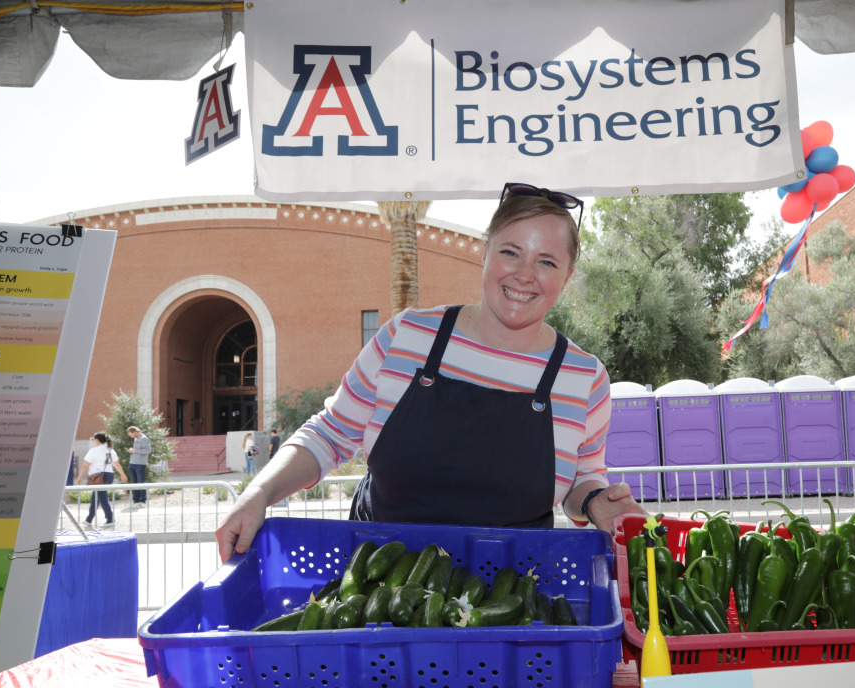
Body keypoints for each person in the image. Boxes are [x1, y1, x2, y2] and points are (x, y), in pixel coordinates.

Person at [217, 182, 642, 562]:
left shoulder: (583, 377)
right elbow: (329, 435)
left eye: (547, 262)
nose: (524, 274)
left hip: (510, 595)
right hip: (380, 584)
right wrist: (259, 493)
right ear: (485, 252)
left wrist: (596, 502)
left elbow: (581, 480)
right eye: (510, 252)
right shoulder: (408, 335)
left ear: (567, 276)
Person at [77, 432, 128, 528]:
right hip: (109, 475)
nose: (93, 441)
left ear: (96, 440)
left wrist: (80, 477)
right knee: (96, 497)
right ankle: (89, 519)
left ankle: (110, 519)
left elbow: (85, 465)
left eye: (93, 439)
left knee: (102, 498)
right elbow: (116, 464)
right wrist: (122, 475)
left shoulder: (94, 451)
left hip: (98, 477)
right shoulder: (110, 450)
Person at [126, 425, 151, 506]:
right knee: (134, 482)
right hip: (132, 463)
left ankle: (142, 500)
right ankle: (135, 500)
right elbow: (136, 451)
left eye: (131, 434)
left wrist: (136, 450)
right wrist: (132, 450)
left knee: (141, 482)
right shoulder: (136, 438)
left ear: (135, 432)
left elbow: (148, 450)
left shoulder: (144, 438)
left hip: (140, 463)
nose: (131, 436)